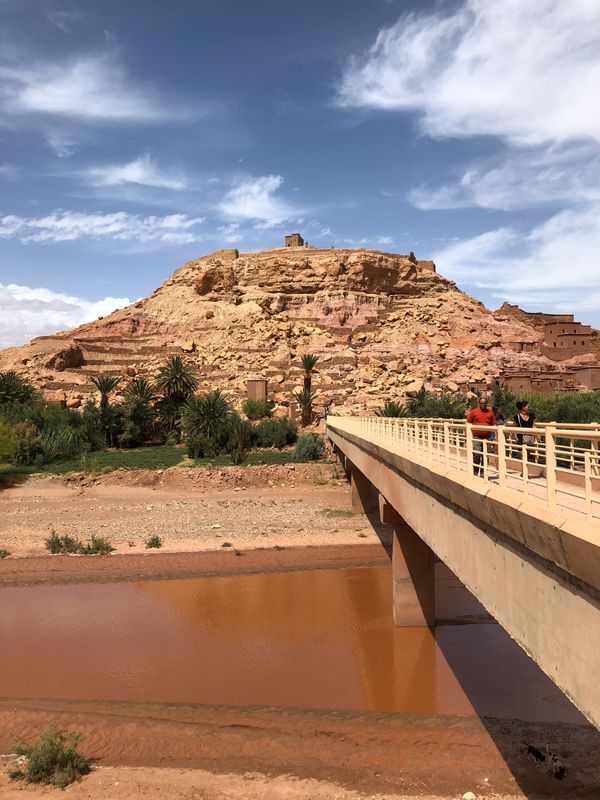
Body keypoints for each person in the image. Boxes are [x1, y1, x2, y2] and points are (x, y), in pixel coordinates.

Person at [467, 397, 496, 476]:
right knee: (477, 454)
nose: (483, 404)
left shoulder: (490, 413)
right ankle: (475, 471)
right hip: (476, 437)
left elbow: (494, 424)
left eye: (485, 403)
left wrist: (495, 436)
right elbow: (468, 423)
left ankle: (483, 472)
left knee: (485, 455)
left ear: (487, 403)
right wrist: (467, 436)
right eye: (482, 403)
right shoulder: (474, 412)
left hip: (487, 437)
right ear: (479, 403)